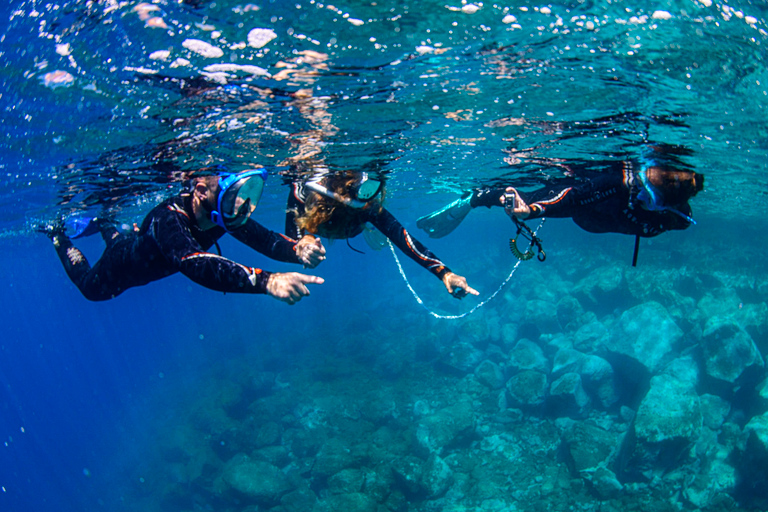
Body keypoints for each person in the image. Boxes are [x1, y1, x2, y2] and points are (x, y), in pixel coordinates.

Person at [40, 169, 326, 304]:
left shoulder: (220, 212)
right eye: (233, 195)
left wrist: (296, 250)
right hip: (121, 268)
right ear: (200, 190)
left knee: (118, 239)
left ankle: (106, 223)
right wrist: (267, 281)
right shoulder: (170, 219)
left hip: (137, 248)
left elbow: (261, 238)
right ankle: (57, 235)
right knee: (91, 290)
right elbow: (195, 263)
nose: (241, 204)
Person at [417, 161, 704, 263]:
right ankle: (474, 199)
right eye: (640, 184)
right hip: (586, 208)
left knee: (535, 201)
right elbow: (573, 198)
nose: (638, 194)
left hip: (597, 220)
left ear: (666, 205)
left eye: (649, 198)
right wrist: (532, 210)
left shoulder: (678, 219)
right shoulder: (621, 183)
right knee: (523, 198)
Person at [284, 169, 479, 299]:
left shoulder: (367, 207)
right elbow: (291, 236)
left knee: (379, 223)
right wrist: (304, 240)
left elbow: (403, 239)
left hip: (358, 227)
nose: (370, 197)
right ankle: (373, 230)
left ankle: (373, 230)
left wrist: (445, 274)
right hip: (326, 225)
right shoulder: (306, 192)